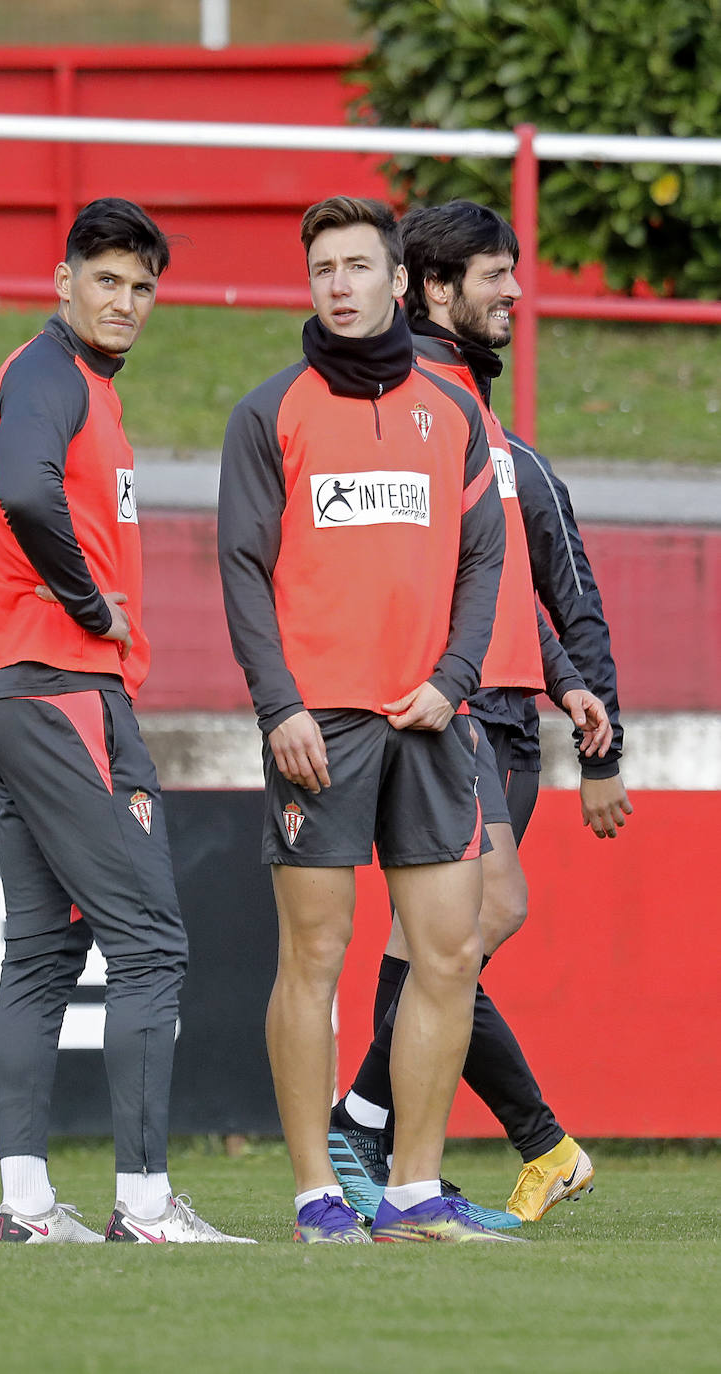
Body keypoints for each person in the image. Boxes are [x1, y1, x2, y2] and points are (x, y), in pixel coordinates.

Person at [218, 194, 523, 1244]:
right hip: (319, 730)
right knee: (313, 958)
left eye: (357, 266)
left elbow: (485, 556)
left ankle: (411, 1193)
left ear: (400, 282)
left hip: (432, 721)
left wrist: (454, 674)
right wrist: (278, 707)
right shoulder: (271, 412)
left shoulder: (454, 411)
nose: (338, 286)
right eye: (321, 271)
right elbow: (242, 573)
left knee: (447, 954)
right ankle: (315, 1196)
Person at [328, 200, 631, 1227]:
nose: (514, 290)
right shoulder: (411, 403)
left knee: (459, 928)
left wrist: (565, 681)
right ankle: (386, 1127)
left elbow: (507, 580)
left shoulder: (476, 415)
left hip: (500, 708)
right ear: (431, 289)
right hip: (443, 709)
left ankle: (386, 1129)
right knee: (469, 921)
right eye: (492, 275)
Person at [0, 196, 253, 1245]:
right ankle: (143, 1204)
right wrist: (89, 606)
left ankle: (30, 1208)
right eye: (107, 280)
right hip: (58, 686)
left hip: (20, 692)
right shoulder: (46, 374)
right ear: (63, 280)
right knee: (150, 945)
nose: (125, 301)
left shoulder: (82, 387)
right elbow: (25, 495)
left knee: (40, 956)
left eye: (142, 287)